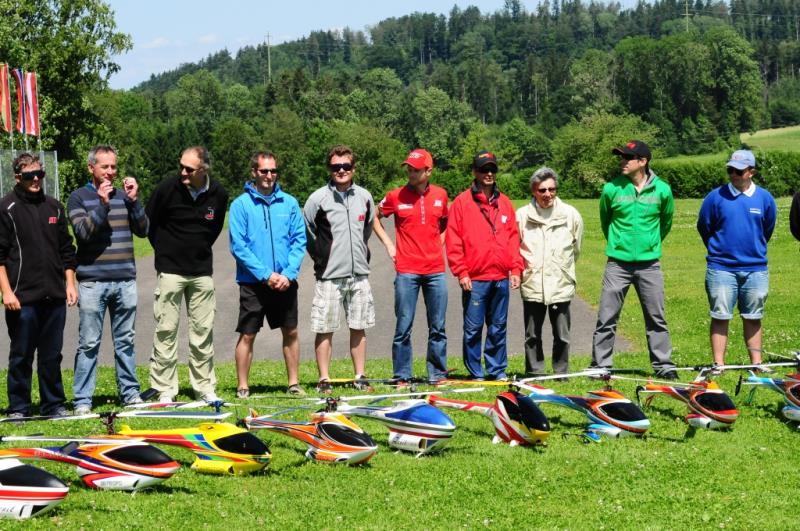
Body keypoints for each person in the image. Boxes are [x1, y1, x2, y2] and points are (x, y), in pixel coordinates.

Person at [68, 145, 149, 415]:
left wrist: (135, 201)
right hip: (93, 282)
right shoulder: (78, 197)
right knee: (89, 343)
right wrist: (102, 206)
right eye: (105, 167)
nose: (111, 172)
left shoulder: (125, 196)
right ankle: (82, 401)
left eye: (114, 166)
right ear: (91, 167)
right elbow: (83, 234)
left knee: (125, 340)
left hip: (125, 279)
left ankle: (130, 394)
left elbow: (143, 230)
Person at [146, 146, 228, 403]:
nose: (182, 172)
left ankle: (203, 387)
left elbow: (213, 231)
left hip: (201, 272)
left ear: (203, 169)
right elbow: (149, 223)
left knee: (202, 331)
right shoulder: (166, 189)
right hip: (170, 270)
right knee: (166, 330)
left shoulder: (219, 194)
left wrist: (197, 250)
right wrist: (166, 250)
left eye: (189, 169)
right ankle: (164, 388)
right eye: (181, 166)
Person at [591, 140, 678, 379]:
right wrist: (618, 244)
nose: (623, 162)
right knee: (607, 316)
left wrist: (651, 244)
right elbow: (605, 221)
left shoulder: (662, 190)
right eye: (622, 157)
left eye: (628, 158)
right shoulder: (612, 189)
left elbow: (666, 223)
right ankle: (600, 366)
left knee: (656, 317)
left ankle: (663, 365)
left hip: (650, 264)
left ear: (643, 161)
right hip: (617, 263)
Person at [0, 152, 77, 418]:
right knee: (21, 355)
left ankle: (53, 404)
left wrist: (70, 283)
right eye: (31, 176)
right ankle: (18, 407)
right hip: (22, 297)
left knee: (51, 355)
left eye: (40, 174)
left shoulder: (54, 207)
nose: (36, 180)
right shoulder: (6, 208)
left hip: (54, 295)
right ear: (18, 177)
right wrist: (6, 291)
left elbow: (67, 250)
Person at [229, 151, 306, 397]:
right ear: (254, 172)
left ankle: (293, 383)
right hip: (253, 282)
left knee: (291, 331)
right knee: (248, 334)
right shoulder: (240, 205)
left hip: (285, 281)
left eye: (273, 171)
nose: (269, 176)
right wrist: (265, 275)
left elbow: (299, 240)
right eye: (264, 171)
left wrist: (288, 273)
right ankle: (243, 385)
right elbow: (238, 246)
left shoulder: (290, 203)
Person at [373, 149, 449, 384]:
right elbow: (374, 216)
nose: (410, 172)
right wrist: (389, 246)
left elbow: (445, 223)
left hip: (435, 270)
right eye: (408, 168)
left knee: (438, 326)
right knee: (403, 326)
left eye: (416, 169)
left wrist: (439, 244)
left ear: (428, 171)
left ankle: (437, 374)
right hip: (406, 270)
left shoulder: (441, 195)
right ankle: (402, 375)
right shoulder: (395, 196)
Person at [303, 145, 376, 394]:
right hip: (330, 276)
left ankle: (360, 376)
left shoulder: (365, 197)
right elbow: (308, 233)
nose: (341, 170)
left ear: (353, 168)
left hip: (359, 275)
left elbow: (366, 229)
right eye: (336, 167)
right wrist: (322, 257)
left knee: (359, 326)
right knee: (325, 329)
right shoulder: (317, 199)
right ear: (329, 169)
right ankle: (324, 379)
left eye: (346, 166)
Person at [446, 151, 523, 381]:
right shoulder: (461, 202)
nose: (489, 174)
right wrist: (461, 271)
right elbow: (454, 239)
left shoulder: (505, 202)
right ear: (475, 172)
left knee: (498, 327)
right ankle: (475, 371)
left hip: (500, 276)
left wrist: (516, 269)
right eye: (483, 169)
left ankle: (496, 369)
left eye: (492, 169)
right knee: (473, 329)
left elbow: (512, 238)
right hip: (475, 278)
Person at [697, 150, 776, 370]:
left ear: (751, 172)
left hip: (756, 269)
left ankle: (757, 363)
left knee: (753, 316)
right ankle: (718, 363)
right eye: (730, 170)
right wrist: (718, 250)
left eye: (739, 171)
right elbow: (704, 226)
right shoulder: (715, 197)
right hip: (721, 268)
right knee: (720, 315)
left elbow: (766, 229)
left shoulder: (765, 198)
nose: (733, 174)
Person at [516, 167, 584, 376]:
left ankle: (561, 371)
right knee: (532, 334)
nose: (548, 194)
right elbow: (515, 247)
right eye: (542, 190)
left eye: (552, 189)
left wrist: (562, 268)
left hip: (560, 282)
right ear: (534, 191)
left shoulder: (571, 214)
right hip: (533, 282)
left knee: (562, 334)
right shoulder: (522, 216)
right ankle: (535, 371)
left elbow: (576, 248)